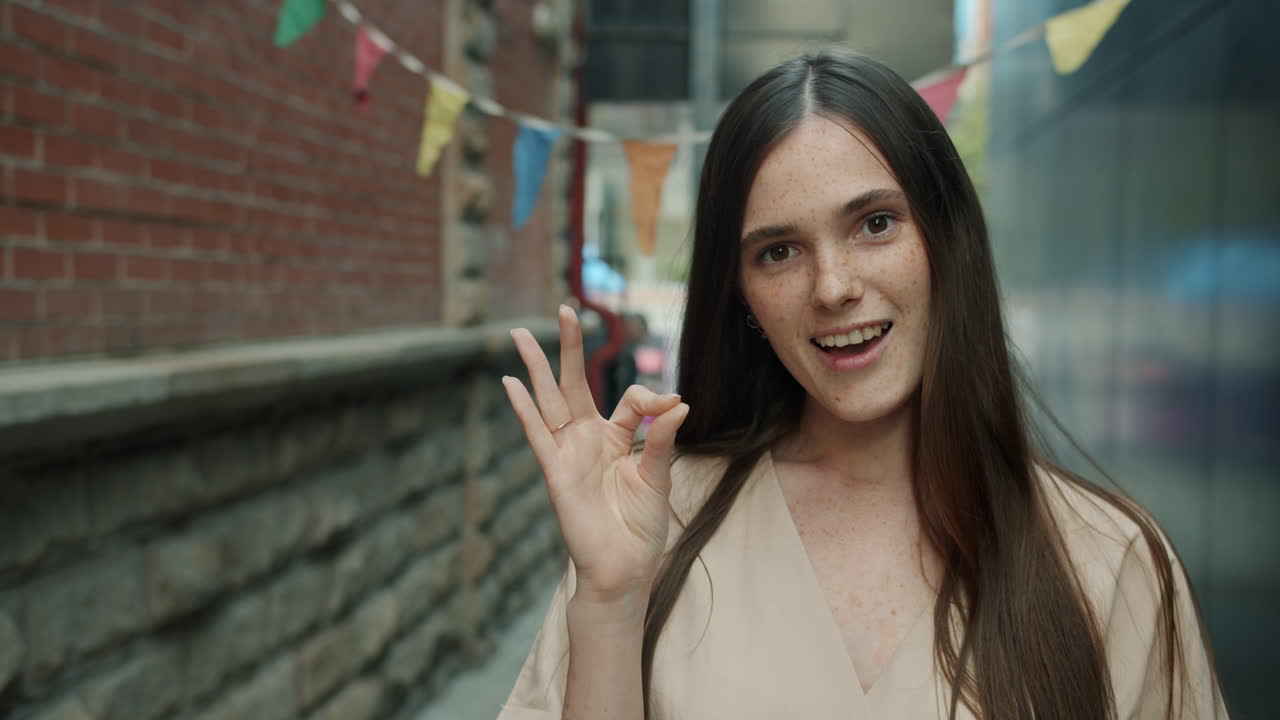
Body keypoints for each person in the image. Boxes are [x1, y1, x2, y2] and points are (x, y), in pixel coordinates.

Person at [497, 49, 1226, 720]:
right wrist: (608, 601)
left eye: (875, 223)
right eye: (779, 251)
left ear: (946, 241)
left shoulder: (1109, 559)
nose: (834, 287)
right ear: (742, 297)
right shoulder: (654, 527)